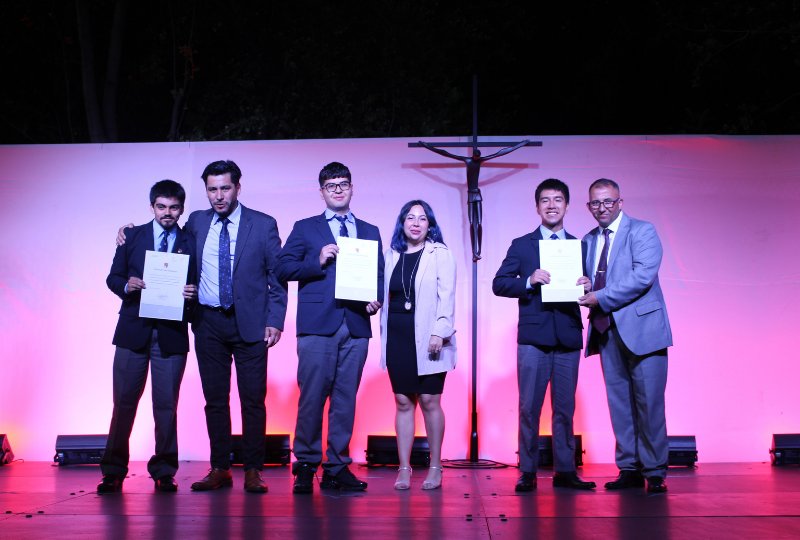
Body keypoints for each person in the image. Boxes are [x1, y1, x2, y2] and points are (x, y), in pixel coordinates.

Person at [117, 160, 288, 493]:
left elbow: (276, 277)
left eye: (225, 188)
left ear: (238, 188)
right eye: (212, 189)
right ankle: (220, 468)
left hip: (250, 323)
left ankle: (253, 470)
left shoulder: (263, 224)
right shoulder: (196, 221)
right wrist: (129, 231)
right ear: (206, 191)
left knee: (253, 400)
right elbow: (166, 232)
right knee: (215, 400)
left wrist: (275, 320)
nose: (219, 196)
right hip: (208, 322)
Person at [276, 162, 383, 494]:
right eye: (331, 185)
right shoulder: (305, 228)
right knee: (312, 397)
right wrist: (317, 261)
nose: (338, 190)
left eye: (343, 184)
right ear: (321, 191)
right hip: (317, 325)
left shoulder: (370, 230)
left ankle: (337, 467)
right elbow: (283, 268)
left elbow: (379, 274)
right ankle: (306, 465)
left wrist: (376, 298)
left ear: (352, 188)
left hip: (355, 324)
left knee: (345, 399)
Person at [492, 178, 596, 492]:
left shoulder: (580, 246)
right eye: (545, 200)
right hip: (534, 339)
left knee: (565, 409)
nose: (552, 205)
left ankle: (566, 471)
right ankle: (527, 470)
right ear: (537, 207)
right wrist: (528, 280)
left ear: (567, 205)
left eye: (558, 200)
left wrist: (589, 284)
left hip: (567, 336)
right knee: (529, 407)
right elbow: (499, 283)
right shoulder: (522, 244)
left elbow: (592, 285)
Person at [98, 179, 197, 494]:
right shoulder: (132, 236)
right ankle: (113, 471)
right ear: (152, 206)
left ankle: (165, 471)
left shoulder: (192, 240)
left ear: (181, 209)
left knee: (166, 406)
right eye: (161, 206)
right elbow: (113, 277)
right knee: (123, 403)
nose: (167, 213)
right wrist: (127, 285)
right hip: (133, 331)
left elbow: (200, 282)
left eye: (174, 207)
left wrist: (192, 292)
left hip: (171, 333)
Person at [577, 178, 672, 494]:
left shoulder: (642, 231)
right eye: (595, 202)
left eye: (608, 201)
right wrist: (585, 284)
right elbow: (593, 279)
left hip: (644, 331)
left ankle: (654, 470)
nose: (601, 207)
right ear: (589, 206)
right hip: (606, 331)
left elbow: (642, 277)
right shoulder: (588, 240)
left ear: (620, 202)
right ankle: (629, 468)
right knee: (619, 404)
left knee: (649, 404)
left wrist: (600, 296)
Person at [379, 200, 456, 491]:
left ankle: (435, 466)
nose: (415, 223)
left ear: (429, 225)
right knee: (402, 401)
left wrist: (440, 331)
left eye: (422, 218)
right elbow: (382, 293)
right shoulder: (391, 254)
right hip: (397, 335)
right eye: (410, 217)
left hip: (429, 335)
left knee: (429, 400)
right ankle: (404, 468)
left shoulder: (440, 253)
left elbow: (447, 296)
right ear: (402, 223)